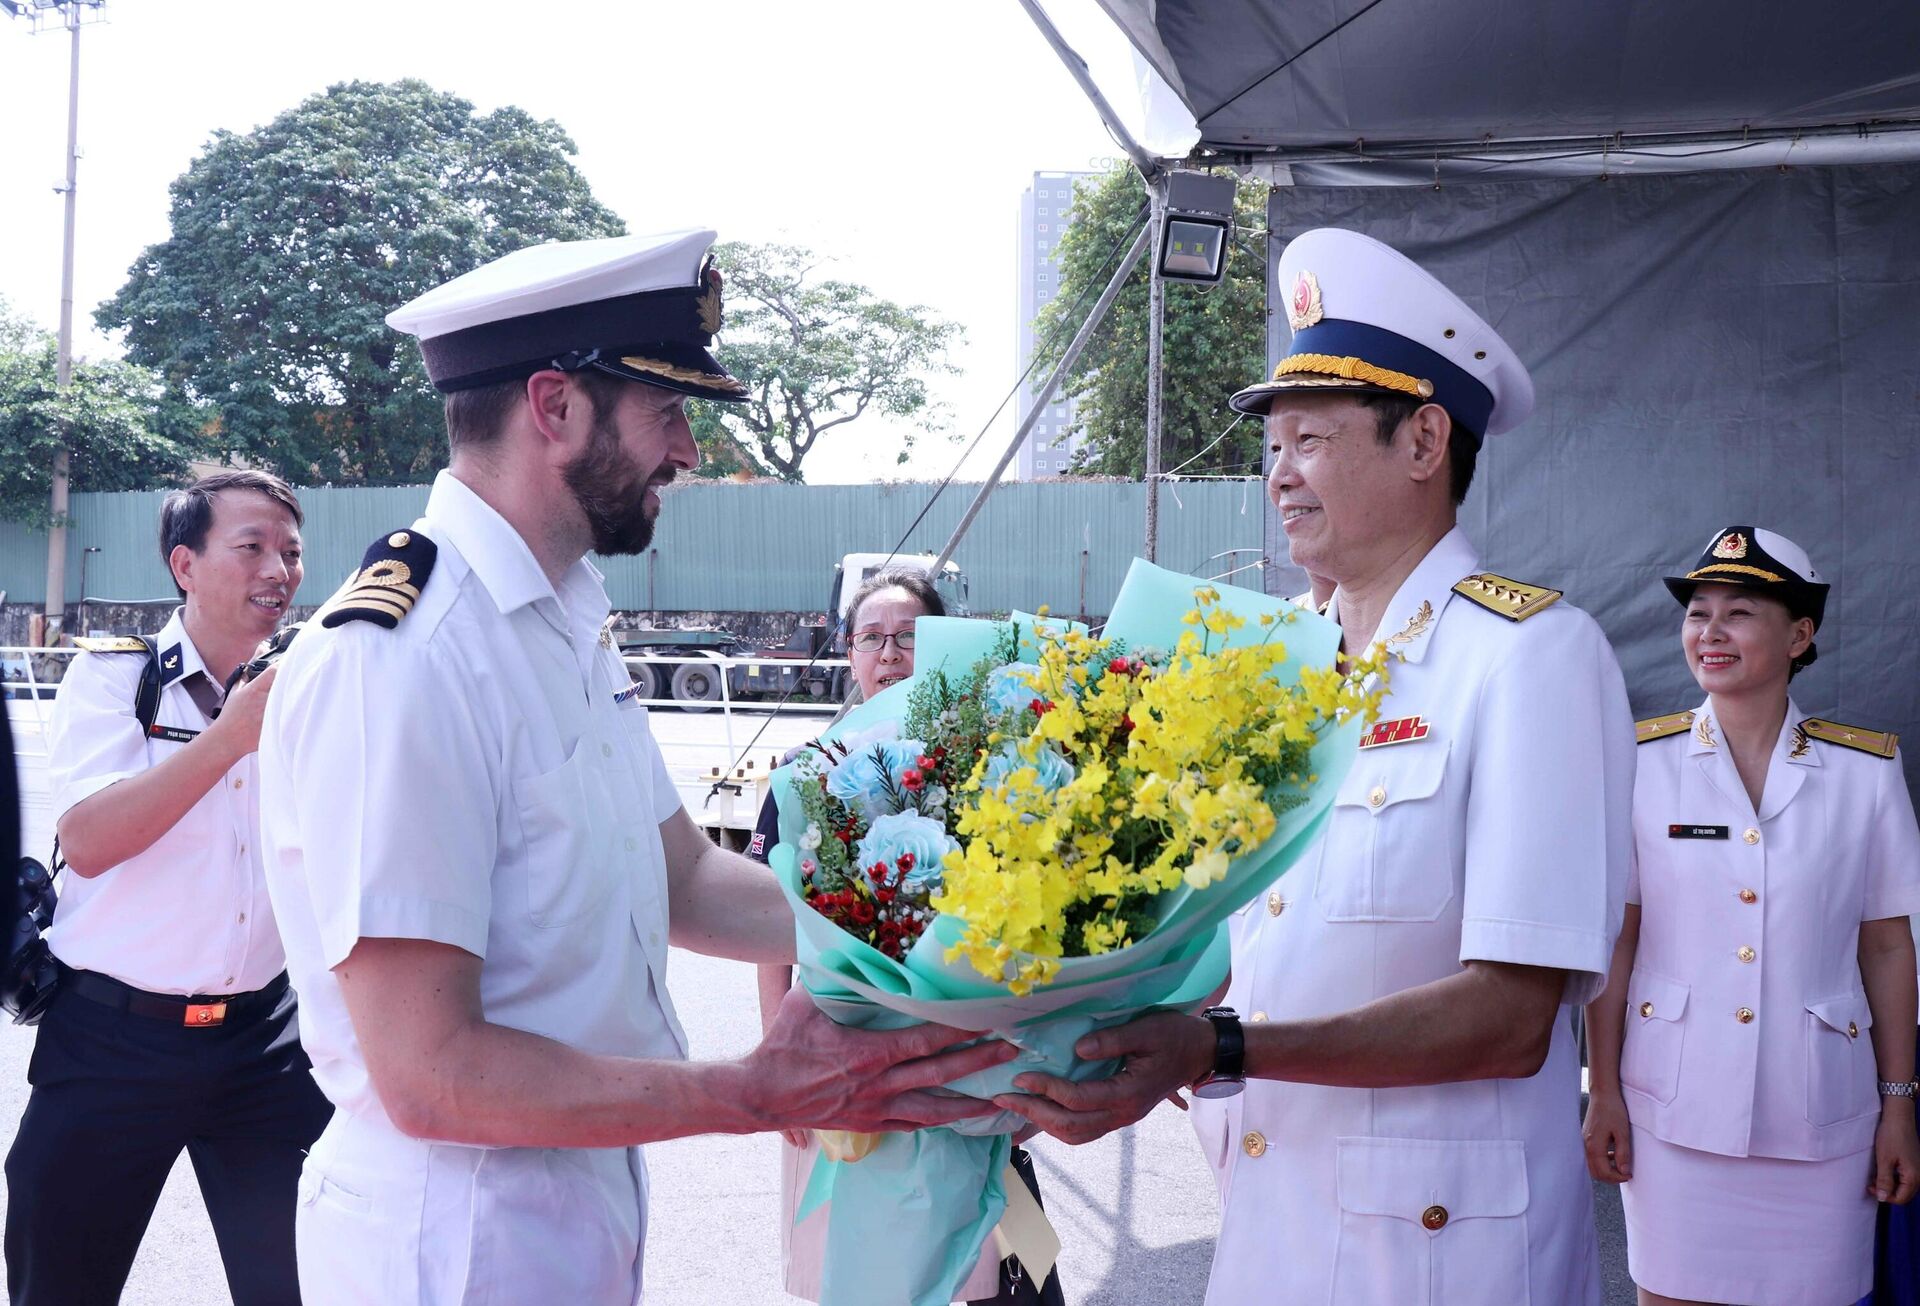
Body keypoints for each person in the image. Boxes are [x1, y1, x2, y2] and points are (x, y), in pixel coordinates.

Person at [256, 228, 1013, 1305]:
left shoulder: (564, 615)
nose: (690, 450)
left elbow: (685, 878)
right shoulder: (404, 658)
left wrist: (957, 931)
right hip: (454, 1235)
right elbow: (432, 1075)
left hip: (575, 1192)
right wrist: (753, 1090)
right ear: (555, 407)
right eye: (667, 409)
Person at [993, 227, 1636, 1305]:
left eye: (1310, 438)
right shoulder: (1270, 669)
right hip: (1266, 1223)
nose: (1279, 473)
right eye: (1274, 444)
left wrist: (1215, 1048)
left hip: (1436, 1254)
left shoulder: (1531, 658)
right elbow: (1241, 945)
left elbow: (1515, 1014)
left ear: (1425, 440)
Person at [6, 470, 330, 1306]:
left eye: (291, 553)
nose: (280, 571)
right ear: (184, 565)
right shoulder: (118, 678)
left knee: (314, 1280)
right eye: (251, 547)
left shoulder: (311, 687)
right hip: (113, 1042)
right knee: (60, 1285)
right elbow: (89, 838)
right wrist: (229, 737)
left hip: (264, 1044)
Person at [1582, 526, 1920, 1306]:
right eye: (1698, 612)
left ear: (1801, 635)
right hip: (1675, 1111)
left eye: (1740, 613)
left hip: (1821, 1114)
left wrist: (1900, 1105)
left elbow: (1888, 947)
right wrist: (1603, 1090)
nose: (1711, 632)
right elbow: (1617, 938)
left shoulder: (1864, 772)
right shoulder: (1641, 762)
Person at [747, 571, 1065, 1305]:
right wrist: (781, 1065)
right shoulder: (802, 775)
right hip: (847, 1077)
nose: (890, 653)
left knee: (1010, 1282)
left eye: (909, 637)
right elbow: (773, 936)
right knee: (868, 1276)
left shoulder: (990, 768)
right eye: (872, 637)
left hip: (970, 1075)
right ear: (849, 652)